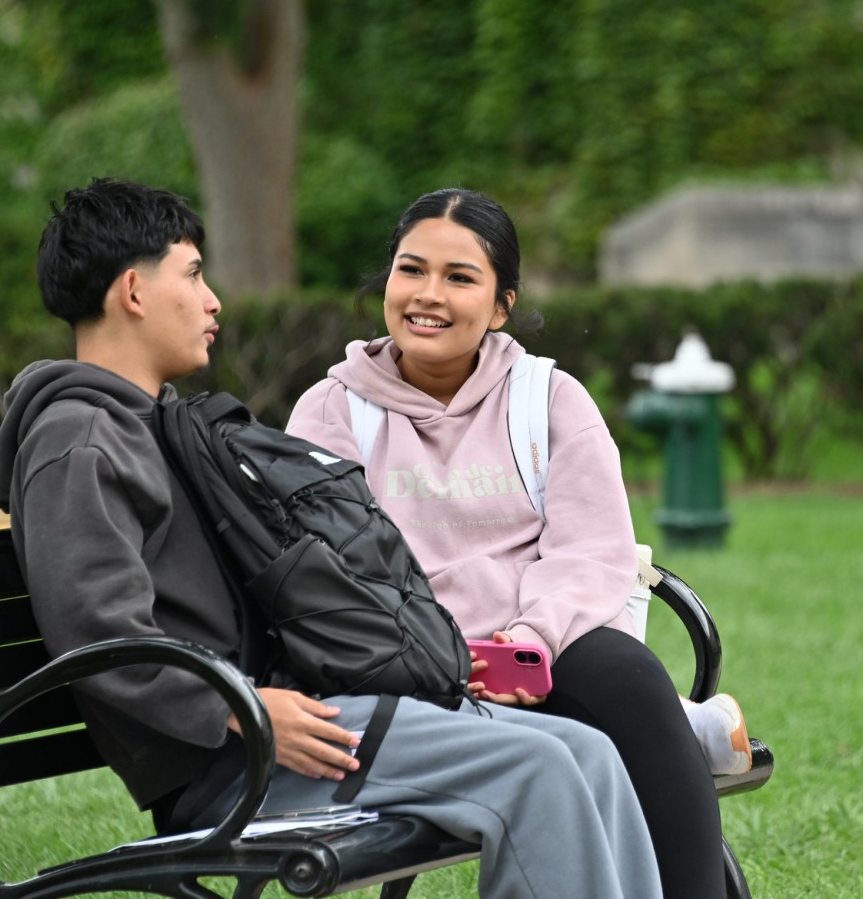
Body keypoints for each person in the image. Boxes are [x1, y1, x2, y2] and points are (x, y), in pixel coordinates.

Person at [0, 178, 662, 899]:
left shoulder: (159, 424)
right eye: (194, 274)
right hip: (237, 759)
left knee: (585, 751)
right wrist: (238, 706)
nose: (214, 301)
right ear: (133, 292)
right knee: (542, 769)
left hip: (294, 714)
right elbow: (97, 636)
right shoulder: (79, 442)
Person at [287, 187, 747, 898]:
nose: (426, 295)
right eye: (411, 271)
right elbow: (330, 570)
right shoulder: (331, 411)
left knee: (628, 682)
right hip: (408, 664)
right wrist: (441, 652)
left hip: (540, 646)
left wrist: (525, 643)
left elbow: (590, 552)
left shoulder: (548, 400)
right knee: (634, 730)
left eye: (459, 277)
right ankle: (695, 731)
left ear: (502, 304)